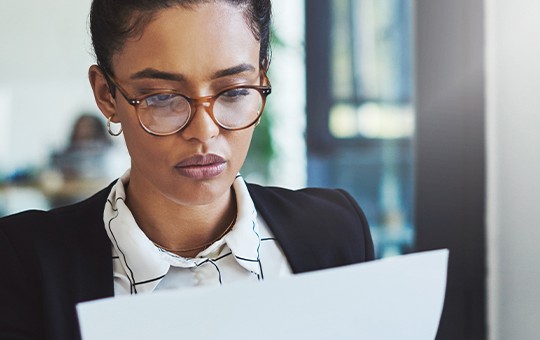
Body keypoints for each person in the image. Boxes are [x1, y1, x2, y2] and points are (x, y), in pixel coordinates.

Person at [0, 1, 374, 339]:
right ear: (105, 95)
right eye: (162, 98)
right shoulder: (22, 264)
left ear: (262, 80)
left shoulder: (336, 233)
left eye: (234, 92)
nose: (204, 131)